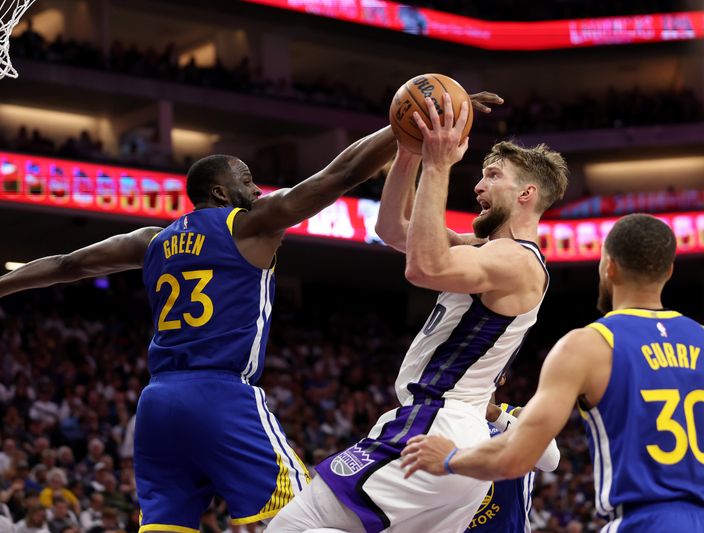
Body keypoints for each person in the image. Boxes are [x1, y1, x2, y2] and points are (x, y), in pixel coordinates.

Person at [0, 123, 398, 530]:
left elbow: (68, 264)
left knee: (165, 528)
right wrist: (403, 124)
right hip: (220, 394)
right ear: (221, 193)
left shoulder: (152, 239)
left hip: (157, 404)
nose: (257, 190)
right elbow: (339, 174)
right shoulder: (250, 225)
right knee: (307, 514)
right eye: (246, 180)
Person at [268, 93, 568, 532]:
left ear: (527, 193)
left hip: (433, 422)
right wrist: (408, 152)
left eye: (492, 176)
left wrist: (438, 162)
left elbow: (425, 266)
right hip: (450, 440)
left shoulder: (517, 261)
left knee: (291, 527)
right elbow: (391, 229)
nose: (478, 187)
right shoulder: (484, 249)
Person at [400, 214, 704, 532]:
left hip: (642, 521)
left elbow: (518, 456)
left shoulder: (588, 345)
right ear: (669, 271)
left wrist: (450, 459)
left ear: (608, 267)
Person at [465, 393, 560, 532]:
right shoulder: (441, 420)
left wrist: (495, 415)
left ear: (501, 376)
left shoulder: (518, 414)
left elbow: (550, 462)